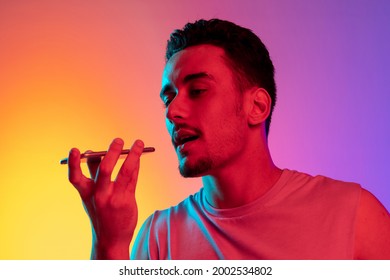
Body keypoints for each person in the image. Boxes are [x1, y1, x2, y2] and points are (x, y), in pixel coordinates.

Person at [67, 19, 390, 260]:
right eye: (169, 98)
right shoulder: (158, 237)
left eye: (197, 91)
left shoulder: (354, 216)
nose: (173, 111)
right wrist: (109, 241)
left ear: (257, 106)